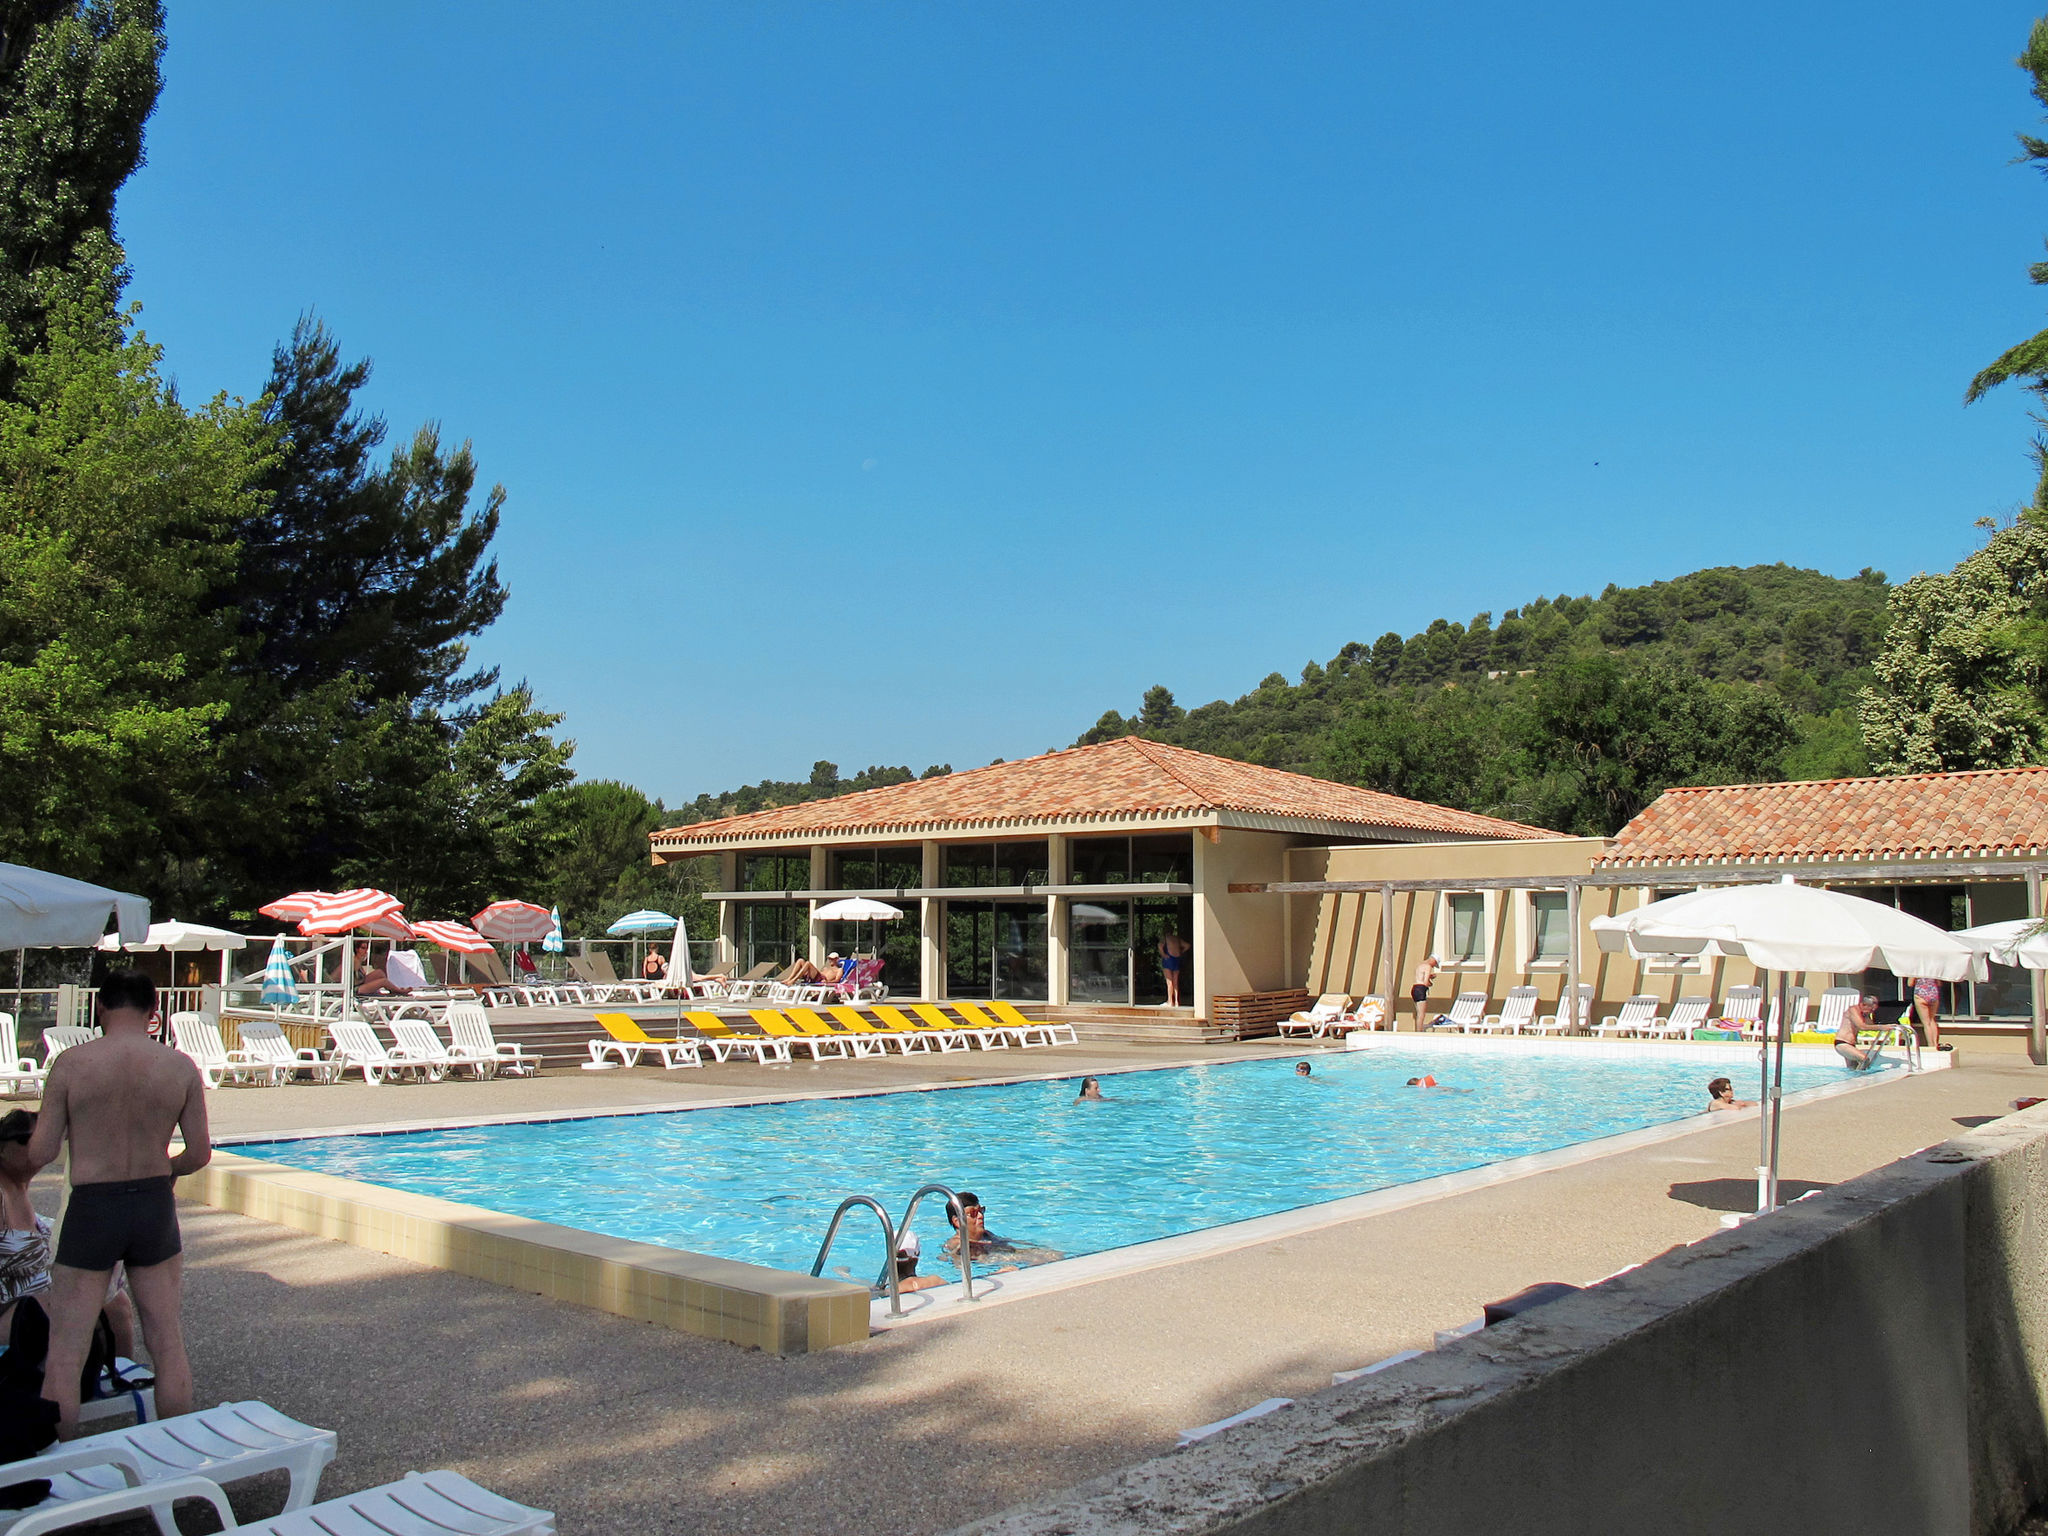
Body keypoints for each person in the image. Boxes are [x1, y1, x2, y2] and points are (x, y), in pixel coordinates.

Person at [26, 969, 211, 1435]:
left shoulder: (72, 1064)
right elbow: (199, 1153)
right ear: (153, 1013)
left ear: (100, 1008)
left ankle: (61, 1473)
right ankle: (178, 1461)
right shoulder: (179, 1066)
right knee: (167, 1342)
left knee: (66, 1352)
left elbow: (42, 1152)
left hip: (93, 1206)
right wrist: (167, 1169)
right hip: (152, 1204)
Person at [1834, 994, 1881, 1071]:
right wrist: (1883, 1027)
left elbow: (1871, 1026)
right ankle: (1862, 1078)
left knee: (1852, 1069)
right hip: (1842, 1043)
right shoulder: (1853, 1010)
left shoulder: (1864, 1014)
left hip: (1851, 1045)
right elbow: (1862, 1027)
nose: (1872, 1012)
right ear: (1864, 1004)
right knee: (1864, 1059)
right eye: (1871, 1009)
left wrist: (1867, 1016)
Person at [1909, 976, 1949, 1053]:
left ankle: (1931, 1045)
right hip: (1933, 993)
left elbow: (1910, 983)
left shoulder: (1916, 969)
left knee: (1926, 1023)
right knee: (1932, 1020)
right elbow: (1939, 983)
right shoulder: (1932, 969)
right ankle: (1935, 1043)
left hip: (1920, 994)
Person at [1158, 931, 1190, 1007]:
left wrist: (1163, 954)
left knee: (1169, 982)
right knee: (1175, 982)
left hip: (1168, 959)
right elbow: (1187, 945)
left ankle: (1170, 1001)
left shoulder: (1165, 938)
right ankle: (1176, 1001)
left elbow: (1160, 945)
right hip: (1177, 959)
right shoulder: (1177, 939)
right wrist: (1181, 952)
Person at [1411, 955, 1442, 1031]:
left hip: (1414, 988)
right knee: (1421, 1014)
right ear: (1433, 961)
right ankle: (1419, 1032)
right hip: (1421, 989)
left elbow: (1420, 977)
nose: (1433, 966)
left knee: (1418, 1012)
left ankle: (1418, 1030)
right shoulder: (1428, 967)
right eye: (1434, 964)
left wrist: (1429, 976)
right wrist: (1431, 983)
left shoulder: (1420, 965)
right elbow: (1425, 982)